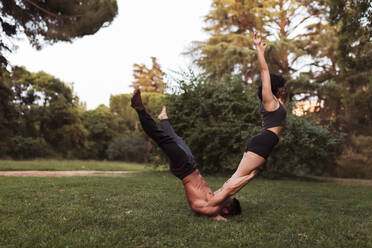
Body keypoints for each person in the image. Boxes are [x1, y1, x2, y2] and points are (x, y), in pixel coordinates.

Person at [131, 88, 257, 221]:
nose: (227, 197)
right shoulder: (213, 203)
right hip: (190, 165)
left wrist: (251, 176)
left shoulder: (211, 207)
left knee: (162, 139)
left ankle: (139, 108)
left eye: (229, 201)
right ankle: (164, 119)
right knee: (177, 140)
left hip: (184, 168)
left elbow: (230, 190)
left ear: (226, 209)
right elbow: (229, 185)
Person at [209, 31, 287, 199]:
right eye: (281, 86)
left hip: (265, 142)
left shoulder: (275, 101)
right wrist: (259, 50)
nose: (283, 88)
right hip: (263, 142)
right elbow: (265, 72)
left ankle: (211, 201)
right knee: (237, 180)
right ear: (275, 87)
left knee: (236, 180)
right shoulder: (269, 100)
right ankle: (211, 205)